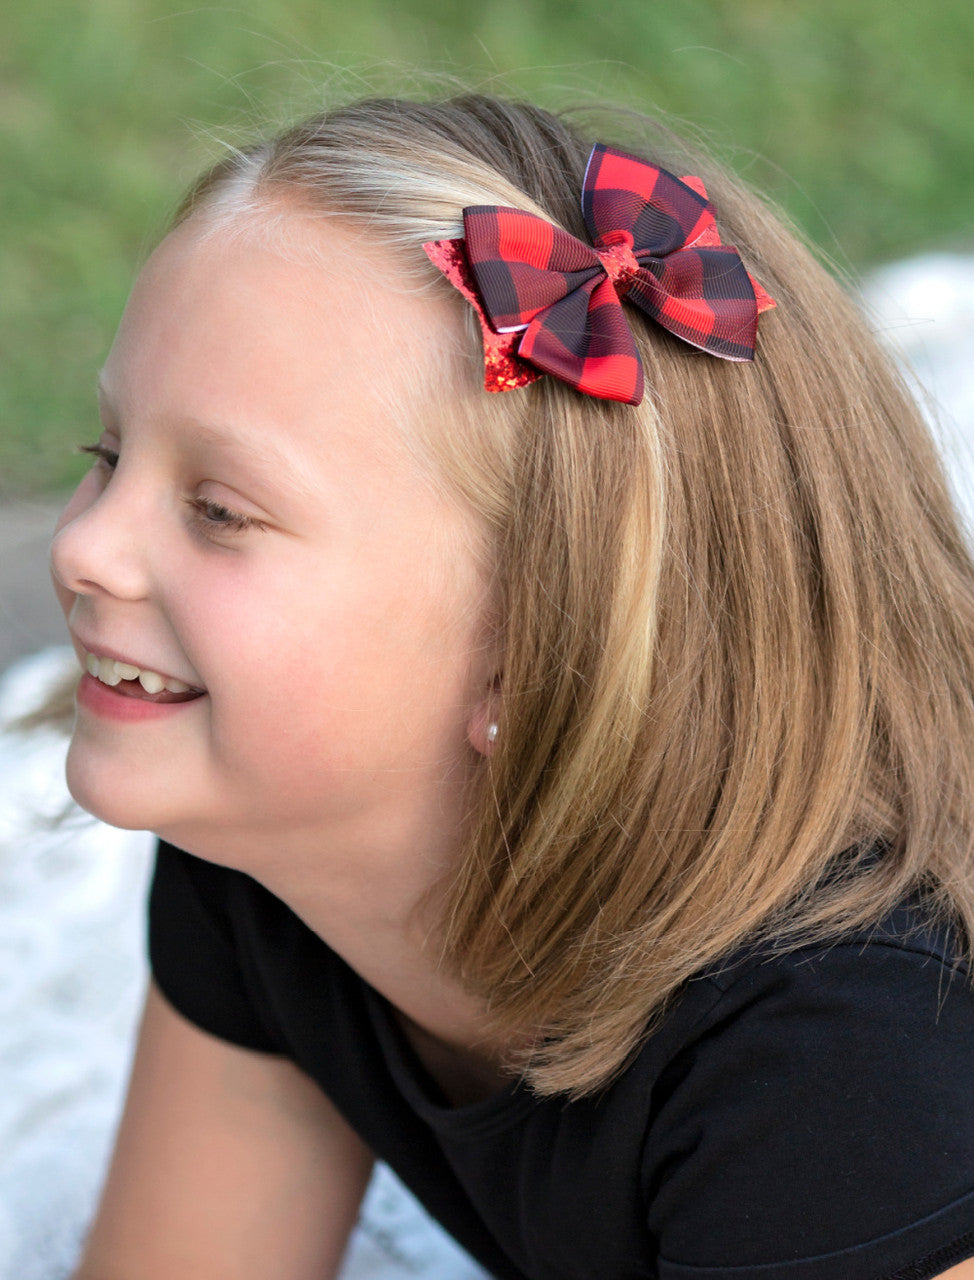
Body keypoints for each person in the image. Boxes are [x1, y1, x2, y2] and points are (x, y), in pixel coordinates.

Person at [49, 91, 974, 1279]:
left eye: (220, 511)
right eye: (110, 455)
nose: (84, 546)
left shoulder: (844, 1068)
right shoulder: (273, 850)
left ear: (540, 655)